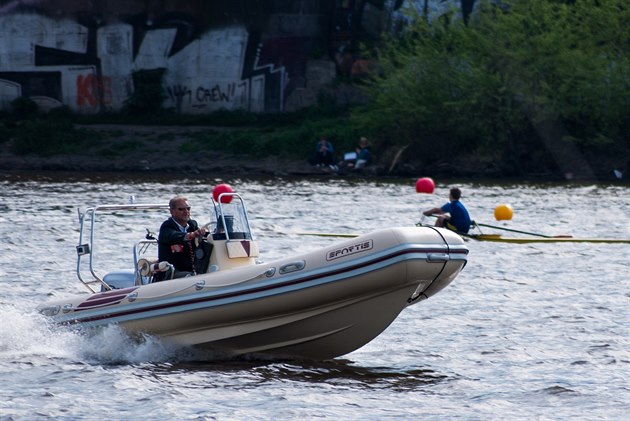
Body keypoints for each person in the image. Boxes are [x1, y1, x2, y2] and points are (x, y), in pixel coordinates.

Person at [156, 195, 207, 280]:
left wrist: (204, 233)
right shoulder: (167, 227)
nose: (186, 212)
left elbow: (202, 237)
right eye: (181, 209)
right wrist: (190, 235)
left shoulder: (192, 225)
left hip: (192, 270)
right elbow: (173, 236)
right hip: (172, 273)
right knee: (191, 277)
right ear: (171, 211)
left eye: (188, 209)